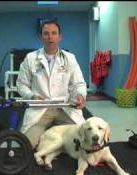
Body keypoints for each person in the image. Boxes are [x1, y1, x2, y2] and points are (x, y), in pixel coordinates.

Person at [16, 19, 87, 149]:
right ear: (40, 37)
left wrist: (81, 95)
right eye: (46, 33)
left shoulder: (70, 58)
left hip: (64, 106)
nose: (50, 37)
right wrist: (31, 96)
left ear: (60, 36)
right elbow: (21, 84)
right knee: (27, 145)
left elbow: (79, 83)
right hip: (41, 108)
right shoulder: (30, 58)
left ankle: (56, 139)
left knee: (85, 139)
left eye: (54, 33)